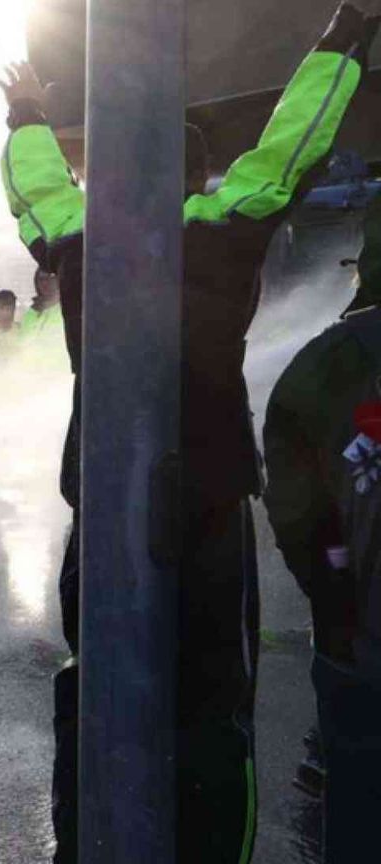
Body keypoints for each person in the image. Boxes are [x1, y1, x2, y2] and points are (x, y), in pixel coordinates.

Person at [0, 6, 372, 860]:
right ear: (197, 178)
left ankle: (85, 843)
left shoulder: (79, 238)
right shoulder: (218, 227)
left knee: (93, 687)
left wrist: (25, 114)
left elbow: (36, 189)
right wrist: (346, 36)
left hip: (102, 503)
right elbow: (291, 146)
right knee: (214, 704)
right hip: (203, 505)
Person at [264, 197, 381, 864]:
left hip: (358, 647)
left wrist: (331, 592)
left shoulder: (327, 363)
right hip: (356, 645)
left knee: (359, 814)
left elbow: (296, 505)